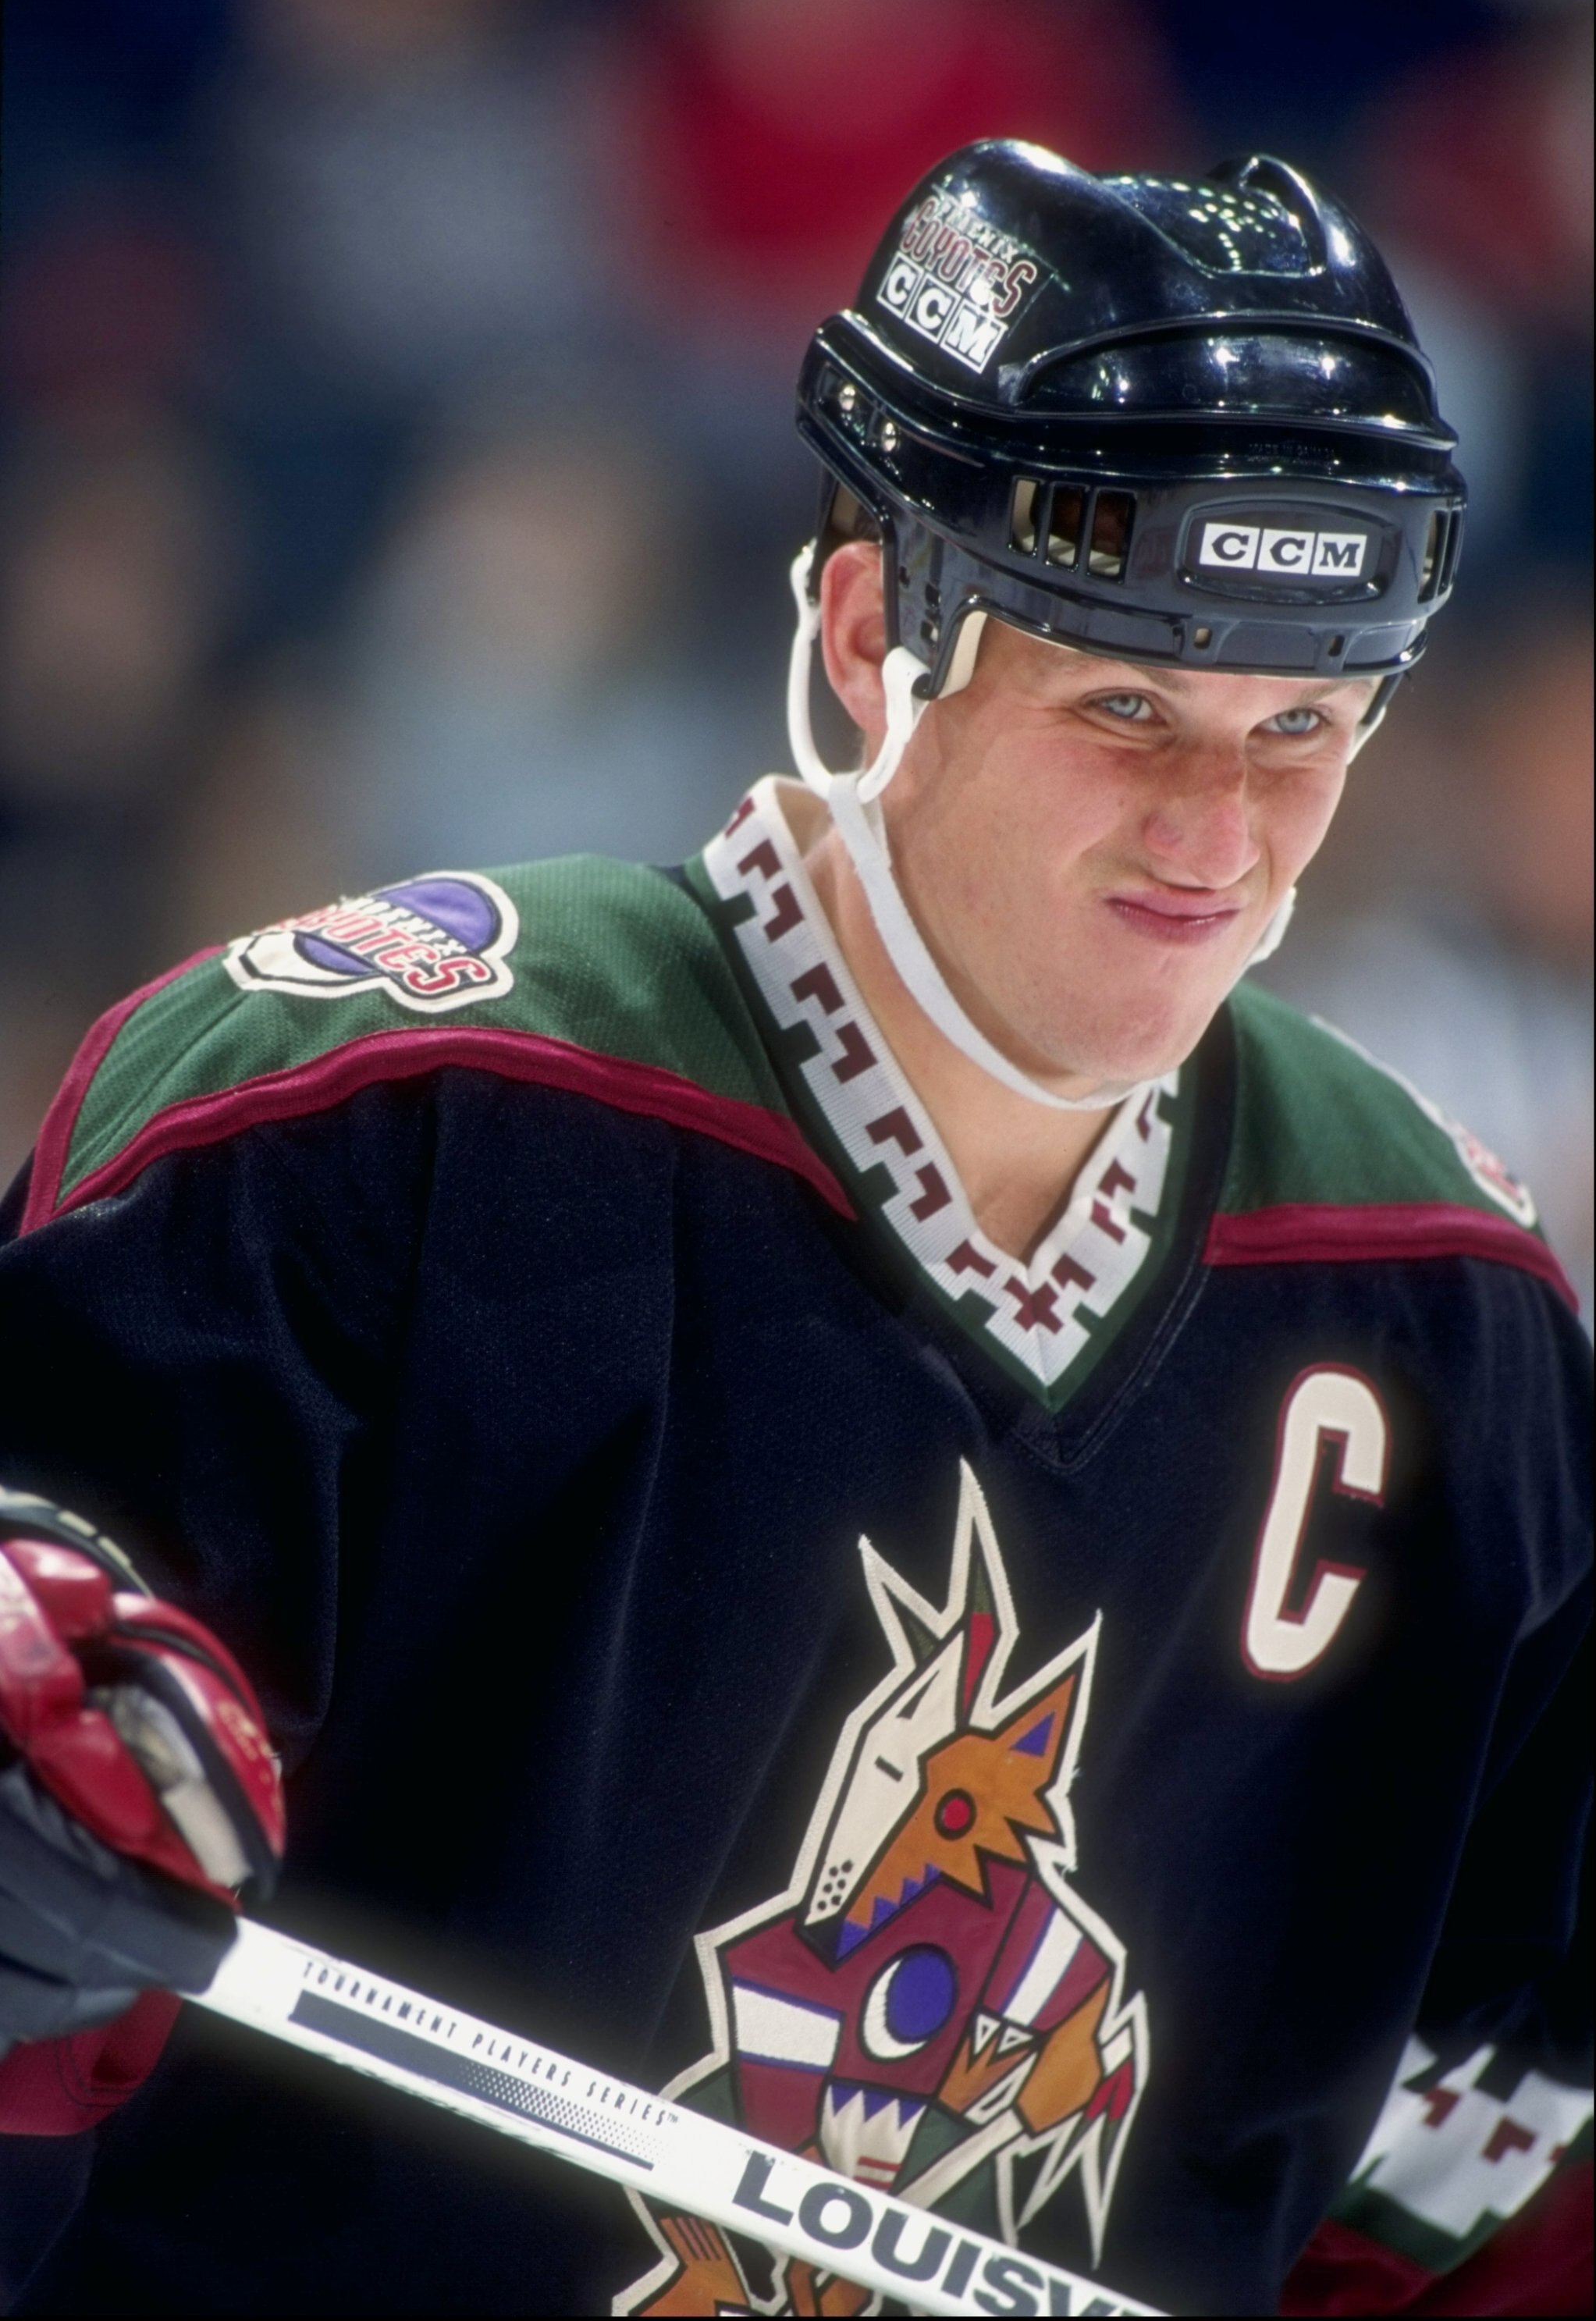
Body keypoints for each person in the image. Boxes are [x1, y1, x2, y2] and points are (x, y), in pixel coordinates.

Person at [0, 143, 1587, 2319]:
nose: (1219, 830)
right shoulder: (375, 1116)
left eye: (1300, 728)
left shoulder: (1445, 1306)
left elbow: (1511, 2108)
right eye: (1125, 703)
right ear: (868, 633)